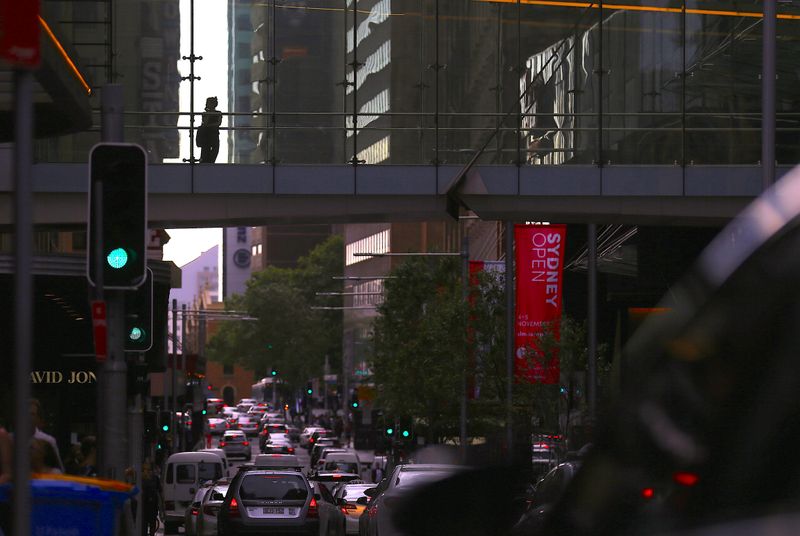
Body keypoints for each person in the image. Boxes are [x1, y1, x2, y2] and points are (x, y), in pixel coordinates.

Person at [30, 399, 64, 472]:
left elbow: (59, 468)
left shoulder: (48, 440)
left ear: (38, 418)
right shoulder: (11, 439)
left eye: (32, 414)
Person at [197, 96, 222, 163]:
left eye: (208, 103)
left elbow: (218, 123)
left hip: (214, 135)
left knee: (214, 153)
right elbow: (205, 123)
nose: (206, 104)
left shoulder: (218, 113)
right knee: (204, 153)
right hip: (206, 136)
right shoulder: (205, 113)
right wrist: (208, 113)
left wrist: (209, 125)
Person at [141, 460, 161, 536]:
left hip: (152, 506)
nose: (147, 472)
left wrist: (162, 507)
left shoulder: (155, 479)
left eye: (149, 470)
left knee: (152, 524)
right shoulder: (142, 478)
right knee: (144, 525)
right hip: (144, 506)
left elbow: (160, 492)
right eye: (145, 469)